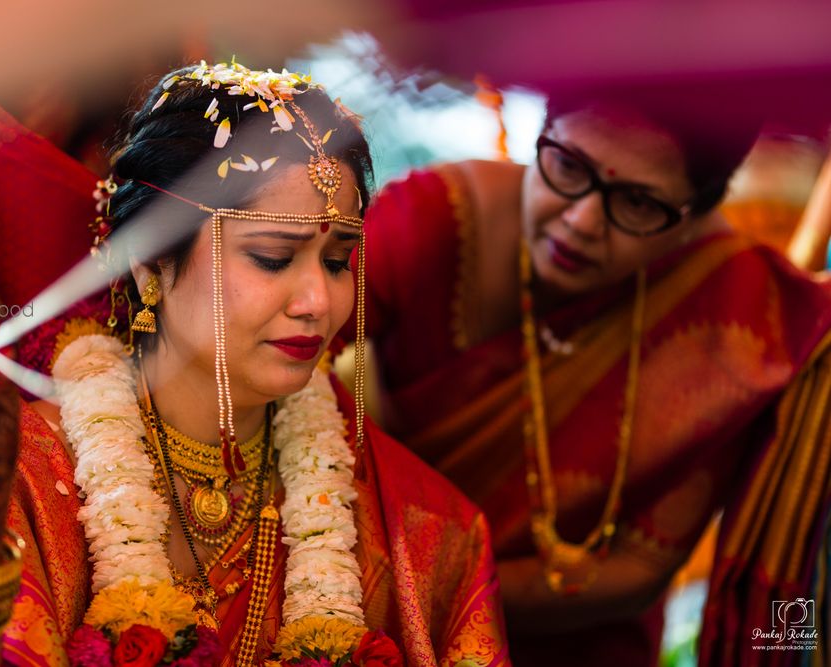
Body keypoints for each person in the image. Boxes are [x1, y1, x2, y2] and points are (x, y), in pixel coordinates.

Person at [0, 62, 510, 667]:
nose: (319, 301)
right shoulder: (11, 478)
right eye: (271, 257)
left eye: (338, 260)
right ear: (149, 264)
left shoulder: (423, 531)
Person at [350, 87, 831, 666]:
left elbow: (637, 570)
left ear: (695, 217)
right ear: (541, 136)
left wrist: (433, 594)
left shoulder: (733, 315)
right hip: (358, 605)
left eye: (635, 203)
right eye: (567, 167)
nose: (581, 220)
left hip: (572, 642)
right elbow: (271, 369)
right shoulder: (434, 220)